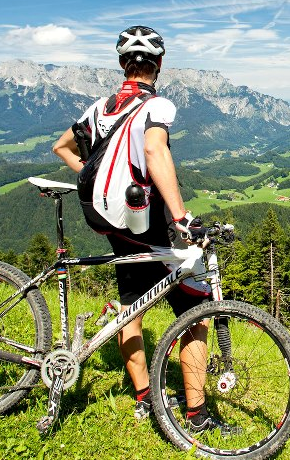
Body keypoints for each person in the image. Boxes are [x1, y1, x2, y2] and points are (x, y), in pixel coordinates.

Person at [52, 25, 222, 432]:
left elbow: (61, 147)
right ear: (159, 64)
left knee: (132, 308)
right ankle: (196, 416)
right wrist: (181, 217)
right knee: (197, 315)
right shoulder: (156, 106)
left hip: (114, 222)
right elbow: (153, 149)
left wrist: (91, 185)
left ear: (122, 64)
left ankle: (146, 396)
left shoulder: (99, 108)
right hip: (151, 224)